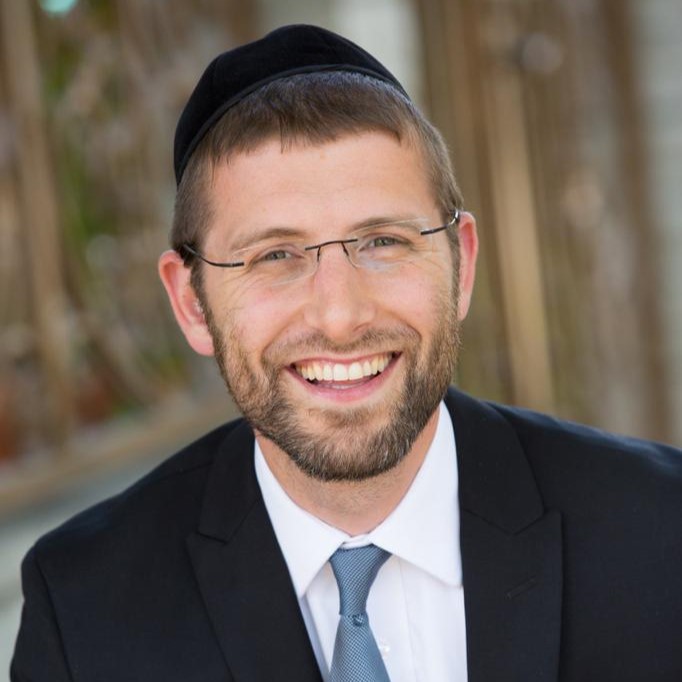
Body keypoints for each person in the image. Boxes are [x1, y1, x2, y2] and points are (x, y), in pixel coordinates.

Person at [11, 24, 682, 682]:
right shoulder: (85, 610)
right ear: (191, 303)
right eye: (275, 256)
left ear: (461, 265)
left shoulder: (661, 530)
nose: (340, 317)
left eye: (383, 242)